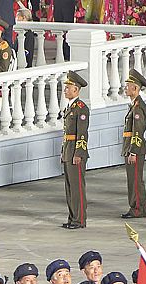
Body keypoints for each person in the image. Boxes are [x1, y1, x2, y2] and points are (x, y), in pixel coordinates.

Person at [60, 71, 89, 229]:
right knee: (70, 187)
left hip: (75, 153)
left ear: (76, 90)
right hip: (68, 151)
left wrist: (78, 153)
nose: (65, 90)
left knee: (77, 188)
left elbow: (82, 133)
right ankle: (72, 217)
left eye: (68, 88)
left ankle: (80, 219)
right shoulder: (70, 107)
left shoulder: (81, 108)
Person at [120, 69, 146, 220]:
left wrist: (133, 151)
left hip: (135, 149)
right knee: (134, 179)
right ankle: (141, 207)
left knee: (135, 180)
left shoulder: (138, 107)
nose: (126, 88)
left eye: (128, 86)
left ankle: (137, 208)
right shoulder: (134, 105)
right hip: (131, 148)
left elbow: (138, 131)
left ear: (136, 88)